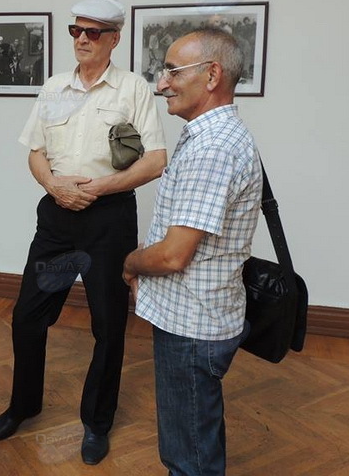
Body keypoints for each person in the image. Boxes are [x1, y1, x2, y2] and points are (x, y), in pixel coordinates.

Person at [0, 0, 167, 465]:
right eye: (75, 31)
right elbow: (35, 151)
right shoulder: (54, 87)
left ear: (114, 39)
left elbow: (155, 160)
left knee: (108, 324)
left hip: (108, 220)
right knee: (28, 315)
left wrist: (100, 188)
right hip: (58, 218)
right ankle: (23, 405)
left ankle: (97, 422)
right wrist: (54, 186)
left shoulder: (132, 89)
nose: (82, 39)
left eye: (92, 32)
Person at [122, 28, 263, 476]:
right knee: (195, 437)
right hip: (195, 317)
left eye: (172, 70)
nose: (161, 83)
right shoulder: (211, 136)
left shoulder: (213, 147)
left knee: (189, 458)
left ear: (212, 75)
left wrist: (129, 263)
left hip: (193, 323)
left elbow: (172, 256)